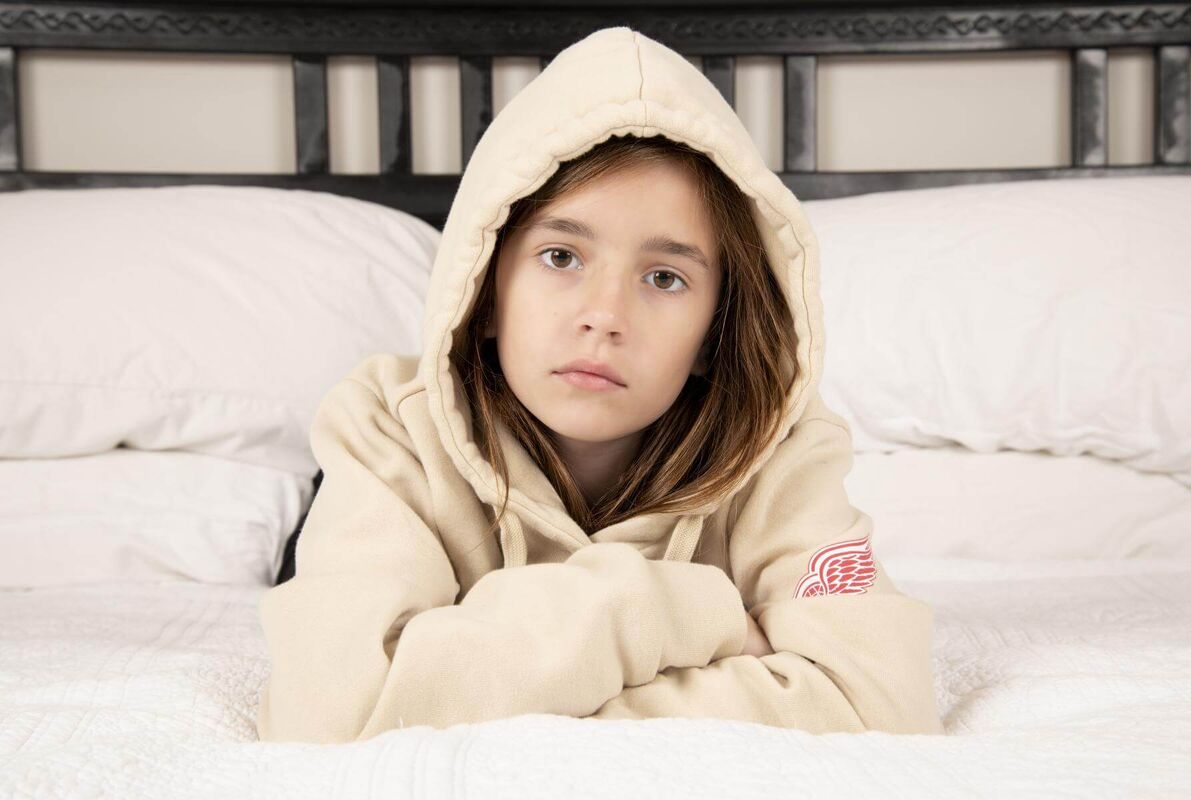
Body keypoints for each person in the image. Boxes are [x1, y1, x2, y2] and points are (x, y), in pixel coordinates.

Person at [255, 26, 944, 744]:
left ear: (714, 333)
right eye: (560, 256)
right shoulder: (386, 425)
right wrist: (682, 609)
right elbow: (328, 716)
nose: (605, 317)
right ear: (485, 288)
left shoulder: (786, 450)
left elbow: (882, 706)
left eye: (665, 278)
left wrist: (469, 690)